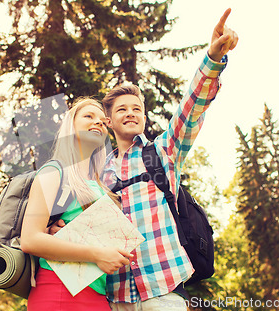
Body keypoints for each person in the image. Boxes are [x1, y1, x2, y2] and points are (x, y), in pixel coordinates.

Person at [98, 8, 239, 311]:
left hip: (163, 290)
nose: (130, 113)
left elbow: (191, 108)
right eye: (121, 109)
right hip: (114, 296)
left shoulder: (163, 151)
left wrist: (213, 59)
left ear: (144, 116)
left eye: (136, 108)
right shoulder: (98, 174)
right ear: (109, 122)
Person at [20, 98, 133, 311]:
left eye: (102, 120)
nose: (98, 122)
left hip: (99, 295)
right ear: (70, 126)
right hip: (58, 292)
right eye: (89, 116)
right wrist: (98, 255)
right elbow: (30, 239)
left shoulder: (102, 185)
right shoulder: (54, 172)